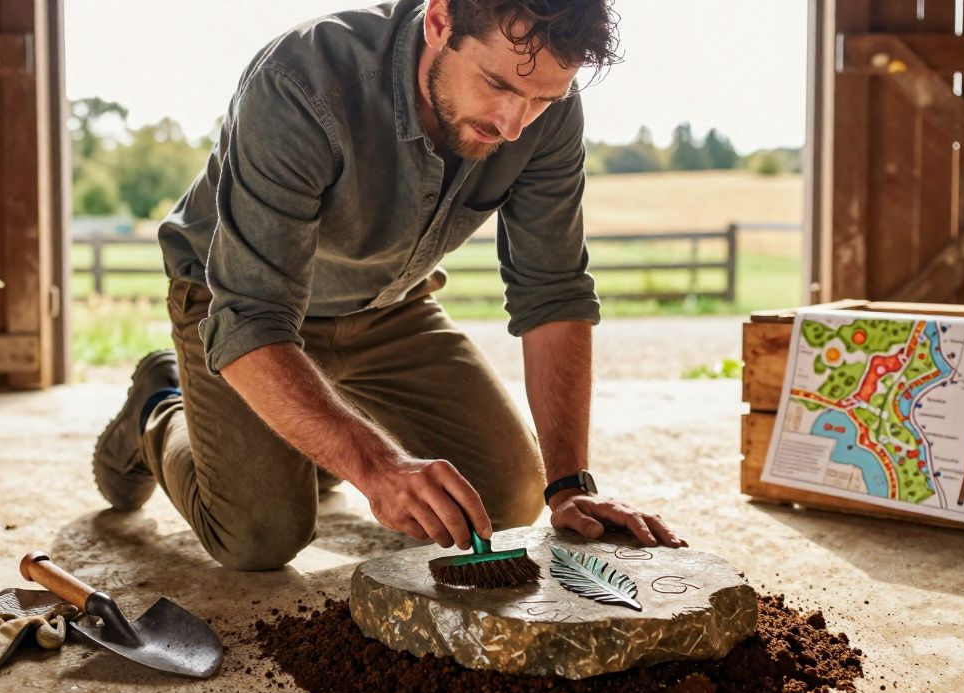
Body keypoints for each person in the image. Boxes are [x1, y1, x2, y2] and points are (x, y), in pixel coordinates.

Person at [92, 0, 687, 571]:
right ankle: (160, 401)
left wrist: (569, 485)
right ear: (439, 20)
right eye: (498, 85)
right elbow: (251, 315)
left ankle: (312, 438)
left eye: (540, 100)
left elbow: (553, 292)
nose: (513, 125)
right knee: (259, 537)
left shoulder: (546, 108)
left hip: (388, 304)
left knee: (505, 501)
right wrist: (376, 467)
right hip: (236, 306)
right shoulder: (300, 81)